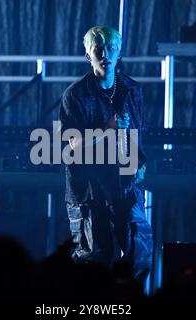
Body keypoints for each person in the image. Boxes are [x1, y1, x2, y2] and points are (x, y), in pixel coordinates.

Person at [58, 26, 152, 284]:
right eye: (98, 49)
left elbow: (139, 132)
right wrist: (107, 128)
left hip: (125, 184)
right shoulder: (75, 95)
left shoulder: (132, 89)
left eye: (110, 48)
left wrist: (140, 163)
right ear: (88, 55)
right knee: (93, 258)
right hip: (89, 189)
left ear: (119, 52)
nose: (105, 54)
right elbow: (71, 144)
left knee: (139, 254)